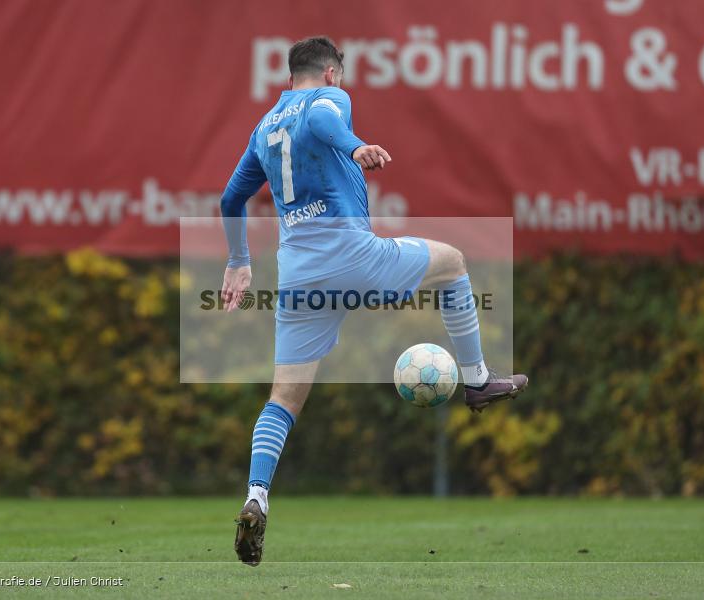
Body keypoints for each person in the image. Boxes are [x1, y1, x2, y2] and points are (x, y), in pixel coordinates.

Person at [218, 36, 528, 566]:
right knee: (452, 262)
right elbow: (323, 123)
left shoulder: (263, 128)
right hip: (354, 257)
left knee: (284, 399)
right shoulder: (329, 100)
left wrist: (238, 260)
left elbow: (230, 198)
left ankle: (256, 496)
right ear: (332, 73)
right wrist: (356, 145)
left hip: (298, 278)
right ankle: (476, 381)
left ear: (289, 76)